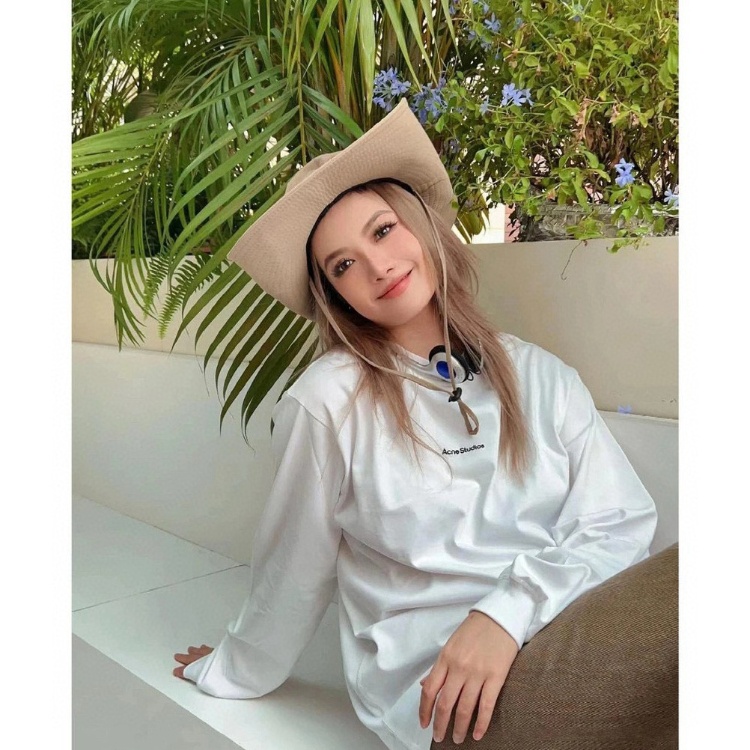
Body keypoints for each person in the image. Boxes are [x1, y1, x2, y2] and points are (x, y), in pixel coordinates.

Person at [173, 99, 676, 750]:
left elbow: (619, 523)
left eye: (382, 231)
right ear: (334, 296)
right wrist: (234, 668)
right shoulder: (328, 402)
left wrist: (506, 612)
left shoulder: (539, 374)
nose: (377, 266)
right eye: (343, 265)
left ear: (420, 225)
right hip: (451, 695)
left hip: (565, 635)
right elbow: (293, 569)